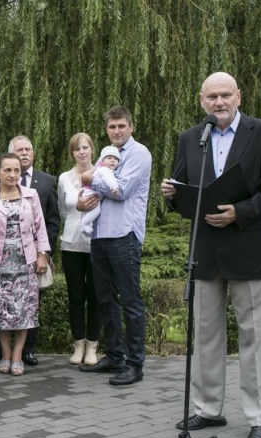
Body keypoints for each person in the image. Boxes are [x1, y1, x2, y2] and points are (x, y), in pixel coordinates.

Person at [161, 72, 261, 438]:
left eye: (225, 95)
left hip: (246, 246)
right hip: (204, 249)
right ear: (202, 100)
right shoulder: (191, 137)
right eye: (212, 97)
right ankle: (207, 407)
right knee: (205, 334)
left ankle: (260, 417)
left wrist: (242, 210)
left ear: (238, 96)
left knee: (254, 335)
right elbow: (183, 191)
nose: (219, 102)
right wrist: (171, 194)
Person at [76, 106, 151, 386]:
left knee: (130, 301)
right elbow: (95, 191)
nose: (117, 131)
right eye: (112, 127)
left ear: (131, 125)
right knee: (105, 298)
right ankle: (115, 355)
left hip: (124, 235)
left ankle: (135, 364)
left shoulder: (139, 153)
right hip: (100, 235)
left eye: (121, 126)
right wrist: (80, 200)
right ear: (106, 129)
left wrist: (89, 177)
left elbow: (121, 190)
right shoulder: (107, 154)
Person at [0, 153, 50, 376]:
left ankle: (18, 355)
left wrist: (42, 254)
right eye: (7, 170)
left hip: (26, 260)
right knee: (1, 311)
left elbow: (40, 226)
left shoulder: (31, 195)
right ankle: (6, 354)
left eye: (16, 170)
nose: (12, 174)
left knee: (24, 310)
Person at [4, 135, 61, 367]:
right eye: (20, 149)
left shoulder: (47, 181)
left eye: (28, 149)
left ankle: (28, 350)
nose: (25, 153)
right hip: (6, 255)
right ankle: (3, 350)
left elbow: (52, 220)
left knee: (31, 303)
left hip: (34, 254)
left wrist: (45, 254)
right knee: (4, 300)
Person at [57, 133, 101, 366]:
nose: (82, 152)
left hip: (96, 244)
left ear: (92, 149)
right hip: (71, 244)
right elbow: (62, 210)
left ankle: (93, 345)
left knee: (95, 296)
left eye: (85, 147)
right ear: (72, 152)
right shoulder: (64, 178)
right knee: (76, 296)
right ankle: (78, 344)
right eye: (77, 149)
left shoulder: (102, 174)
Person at [81, 145, 121, 236]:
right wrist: (114, 187)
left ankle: (85, 226)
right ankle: (85, 223)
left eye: (116, 159)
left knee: (89, 210)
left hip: (87, 192)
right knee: (96, 210)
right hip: (91, 192)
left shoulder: (103, 169)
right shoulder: (104, 170)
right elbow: (108, 179)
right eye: (109, 158)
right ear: (102, 161)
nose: (112, 160)